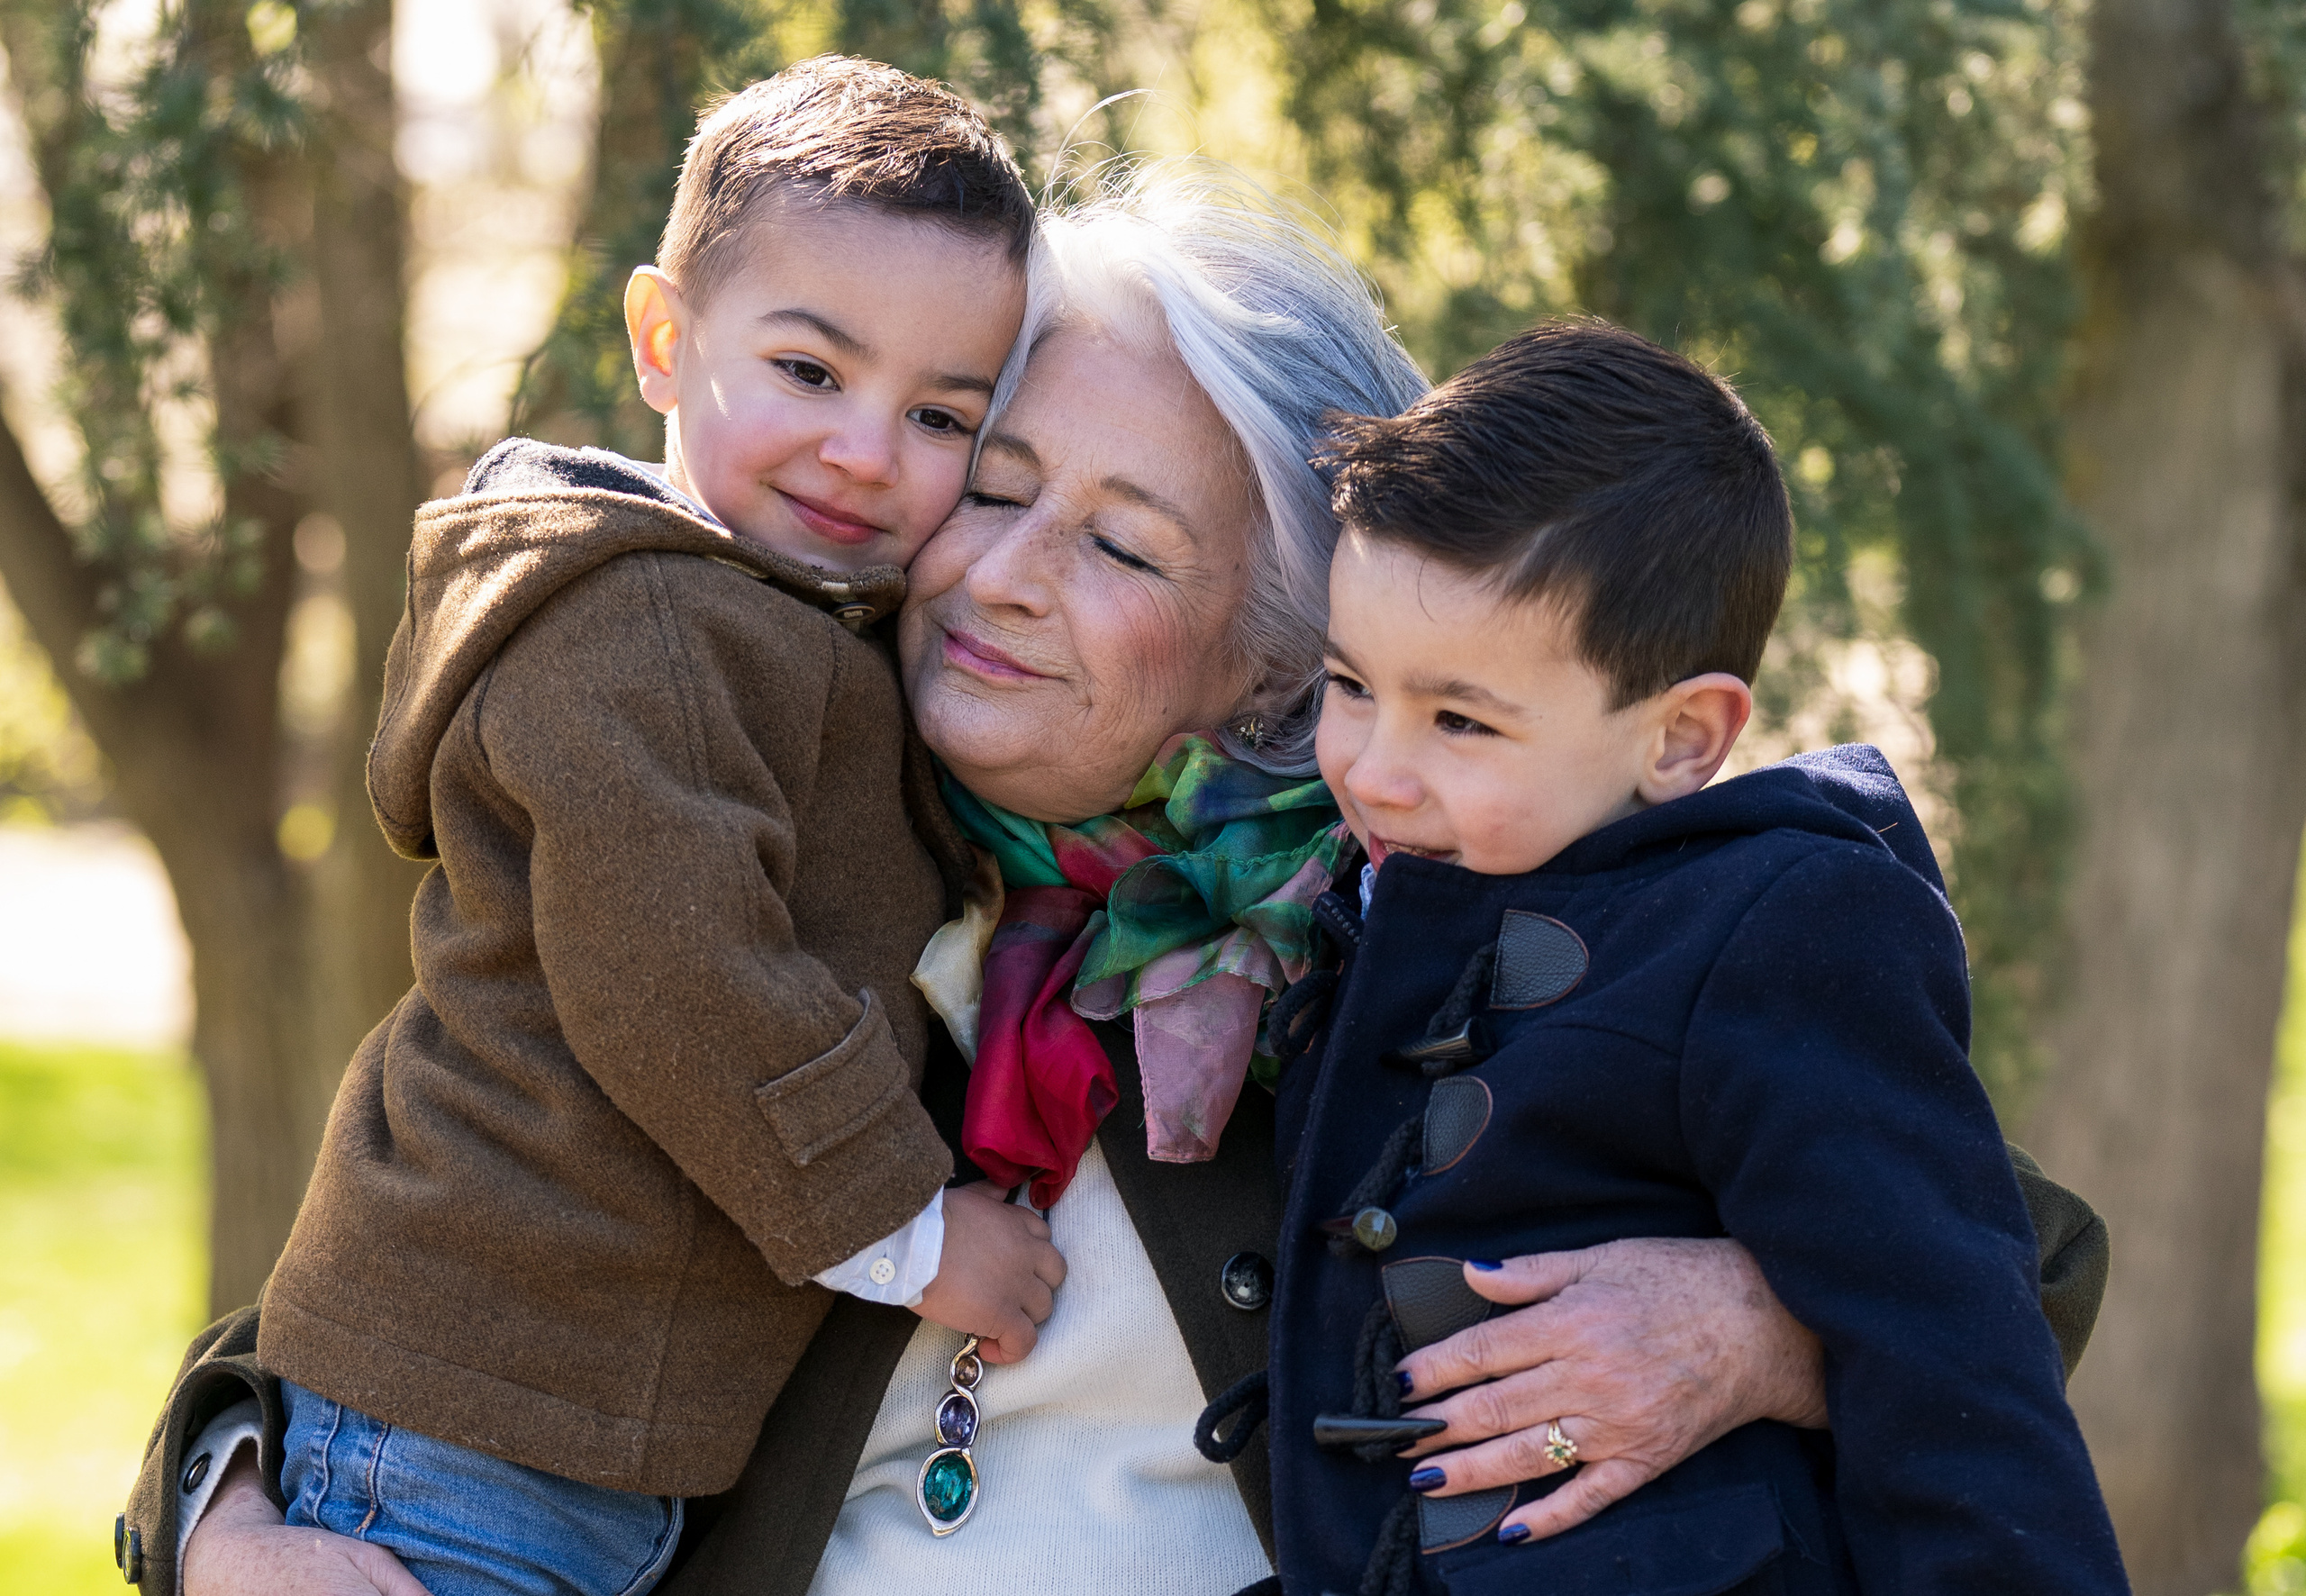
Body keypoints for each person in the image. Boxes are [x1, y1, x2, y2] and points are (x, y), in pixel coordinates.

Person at [121, 167, 2109, 1596]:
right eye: (990, 488)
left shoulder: (1410, 928)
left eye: (1121, 547)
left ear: (1271, 653)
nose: (994, 575)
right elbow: (410, 1269)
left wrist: (1761, 1328)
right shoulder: (747, 851)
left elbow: (2002, 1263)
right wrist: (226, 1511)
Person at [221, 55, 1073, 1596]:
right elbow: (676, 966)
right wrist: (905, 1229)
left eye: (942, 415)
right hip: (467, 1421)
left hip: (572, 1422)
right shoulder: (648, 627)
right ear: (667, 338)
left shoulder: (785, 622)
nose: (866, 452)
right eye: (811, 373)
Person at [1262, 322, 2127, 1593]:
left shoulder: (1780, 923)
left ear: (1681, 738)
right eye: (1348, 684)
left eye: (1459, 719)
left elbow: (1952, 1357)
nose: (1375, 768)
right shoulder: (1382, 895)